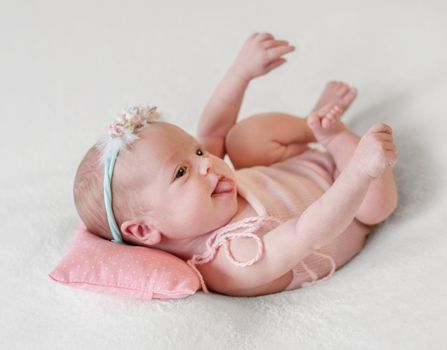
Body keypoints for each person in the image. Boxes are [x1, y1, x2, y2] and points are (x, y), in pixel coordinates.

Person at [73, 32, 398, 297]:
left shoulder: (210, 193)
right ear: (145, 230)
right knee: (376, 206)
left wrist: (241, 72)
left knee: (244, 137)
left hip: (293, 166)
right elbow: (307, 232)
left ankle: (313, 124)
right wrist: (357, 173)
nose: (205, 164)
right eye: (181, 172)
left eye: (198, 153)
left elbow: (213, 131)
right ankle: (336, 137)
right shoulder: (233, 260)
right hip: (346, 209)